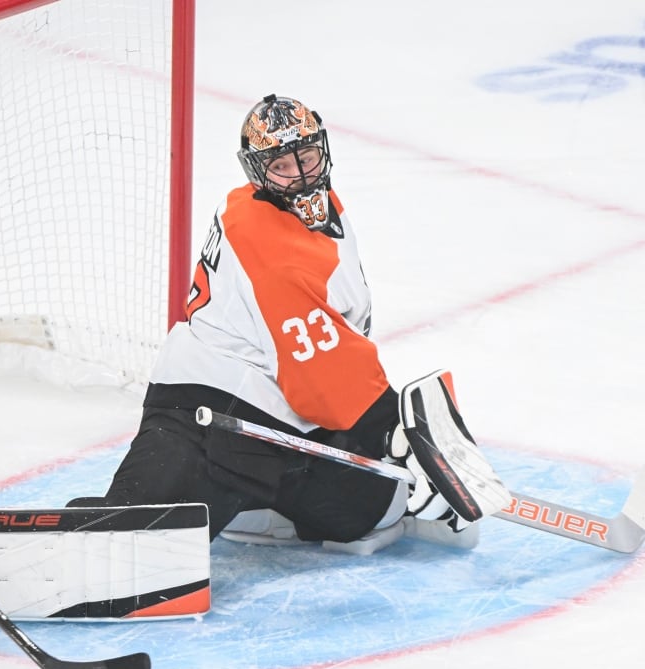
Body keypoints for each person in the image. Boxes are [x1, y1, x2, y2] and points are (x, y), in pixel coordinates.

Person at [68, 94, 506, 552]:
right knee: (138, 540)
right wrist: (392, 432)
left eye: (307, 156)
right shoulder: (270, 244)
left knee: (373, 507)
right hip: (208, 417)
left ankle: (257, 503)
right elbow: (321, 376)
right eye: (281, 165)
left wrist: (393, 454)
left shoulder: (316, 209)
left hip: (280, 425)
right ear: (257, 171)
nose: (300, 174)